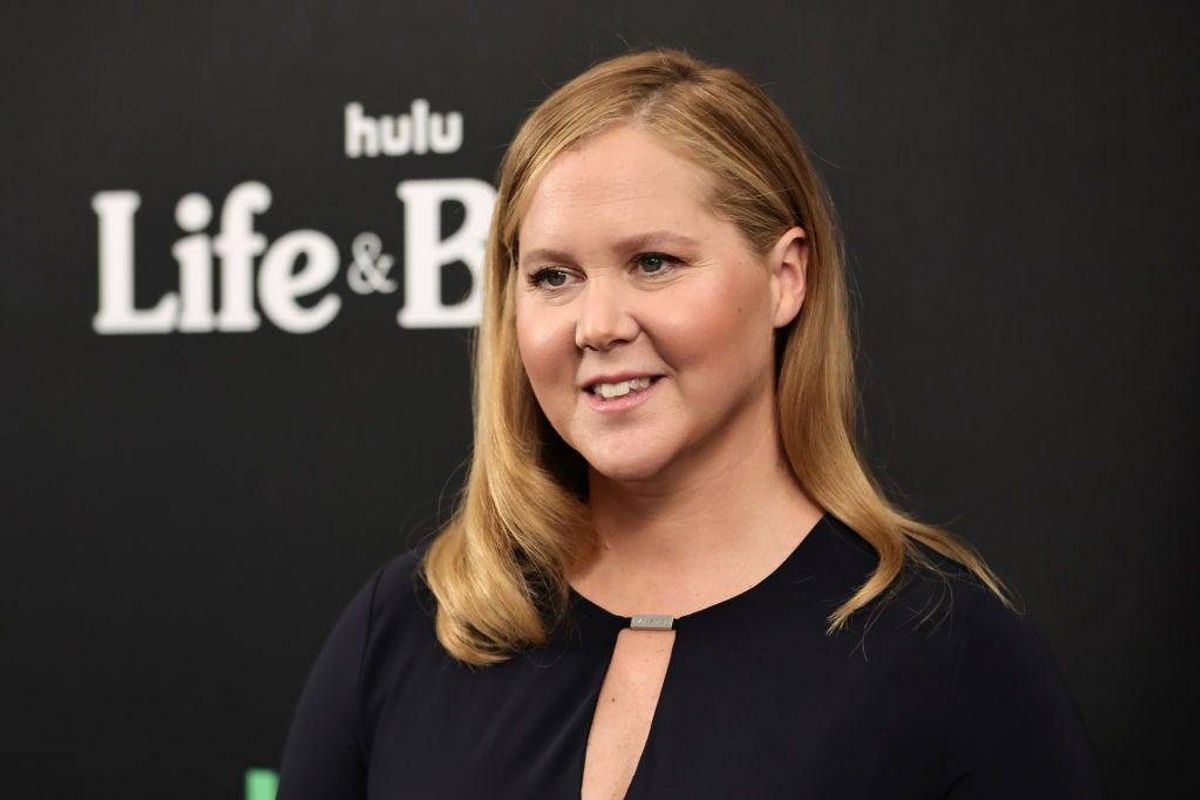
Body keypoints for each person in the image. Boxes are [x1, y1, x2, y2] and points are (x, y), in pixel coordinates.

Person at [277, 48, 1104, 799]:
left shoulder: (945, 651)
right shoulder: (410, 626)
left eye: (653, 263)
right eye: (554, 276)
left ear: (786, 277)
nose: (596, 324)